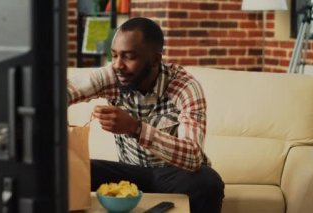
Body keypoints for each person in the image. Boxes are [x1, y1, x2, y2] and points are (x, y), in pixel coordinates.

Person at [67, 17, 224, 213]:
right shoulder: (112, 76)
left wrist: (135, 128)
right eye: (114, 55)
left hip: (175, 175)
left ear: (155, 59)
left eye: (129, 57)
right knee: (67, 170)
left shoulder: (185, 87)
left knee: (208, 182)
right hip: (130, 174)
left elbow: (193, 156)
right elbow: (64, 91)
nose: (117, 65)